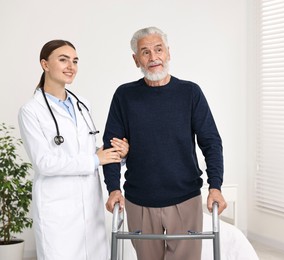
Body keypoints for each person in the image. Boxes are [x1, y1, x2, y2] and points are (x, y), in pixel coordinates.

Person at [103, 26, 227, 260]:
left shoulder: (190, 93)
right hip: (139, 201)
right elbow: (112, 147)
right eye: (145, 52)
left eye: (158, 49)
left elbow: (211, 142)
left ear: (168, 53)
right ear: (136, 59)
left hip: (185, 199)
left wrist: (215, 187)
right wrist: (113, 188)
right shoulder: (124, 96)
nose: (153, 57)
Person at [18, 39, 129, 260]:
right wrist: (95, 160)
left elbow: (89, 150)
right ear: (45, 64)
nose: (71, 66)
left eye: (75, 61)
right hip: (57, 210)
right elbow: (44, 162)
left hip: (90, 205)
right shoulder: (31, 111)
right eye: (63, 59)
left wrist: (119, 153)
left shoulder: (82, 104)